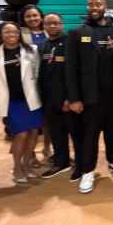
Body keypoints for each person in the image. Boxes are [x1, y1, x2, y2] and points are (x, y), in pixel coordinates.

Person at [66, 0, 113, 194]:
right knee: (90, 135)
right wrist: (74, 98)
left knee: (112, 130)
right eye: (91, 4)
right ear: (88, 7)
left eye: (98, 4)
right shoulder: (77, 33)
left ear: (105, 6)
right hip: (89, 96)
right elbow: (71, 68)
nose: (95, 7)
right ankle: (87, 171)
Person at [0, 22, 42, 184]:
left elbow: (37, 74)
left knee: (33, 133)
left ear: (19, 34)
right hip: (11, 102)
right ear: (0, 34)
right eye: (6, 31)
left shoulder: (31, 50)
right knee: (21, 134)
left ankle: (27, 165)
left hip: (31, 99)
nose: (11, 34)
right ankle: (17, 167)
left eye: (14, 31)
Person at [38, 13, 82, 181]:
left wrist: (70, 98)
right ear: (44, 25)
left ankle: (80, 164)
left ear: (62, 24)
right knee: (56, 133)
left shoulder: (70, 43)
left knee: (76, 134)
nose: (53, 26)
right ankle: (61, 162)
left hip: (67, 100)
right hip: (49, 100)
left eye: (56, 23)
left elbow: (75, 73)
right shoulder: (43, 46)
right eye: (49, 23)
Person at [19, 4, 50, 163]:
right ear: (23, 19)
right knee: (31, 122)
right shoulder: (20, 35)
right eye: (28, 16)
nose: (32, 18)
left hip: (48, 81)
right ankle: (30, 155)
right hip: (29, 83)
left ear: (41, 16)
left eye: (35, 15)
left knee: (48, 120)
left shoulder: (48, 31)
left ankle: (47, 149)